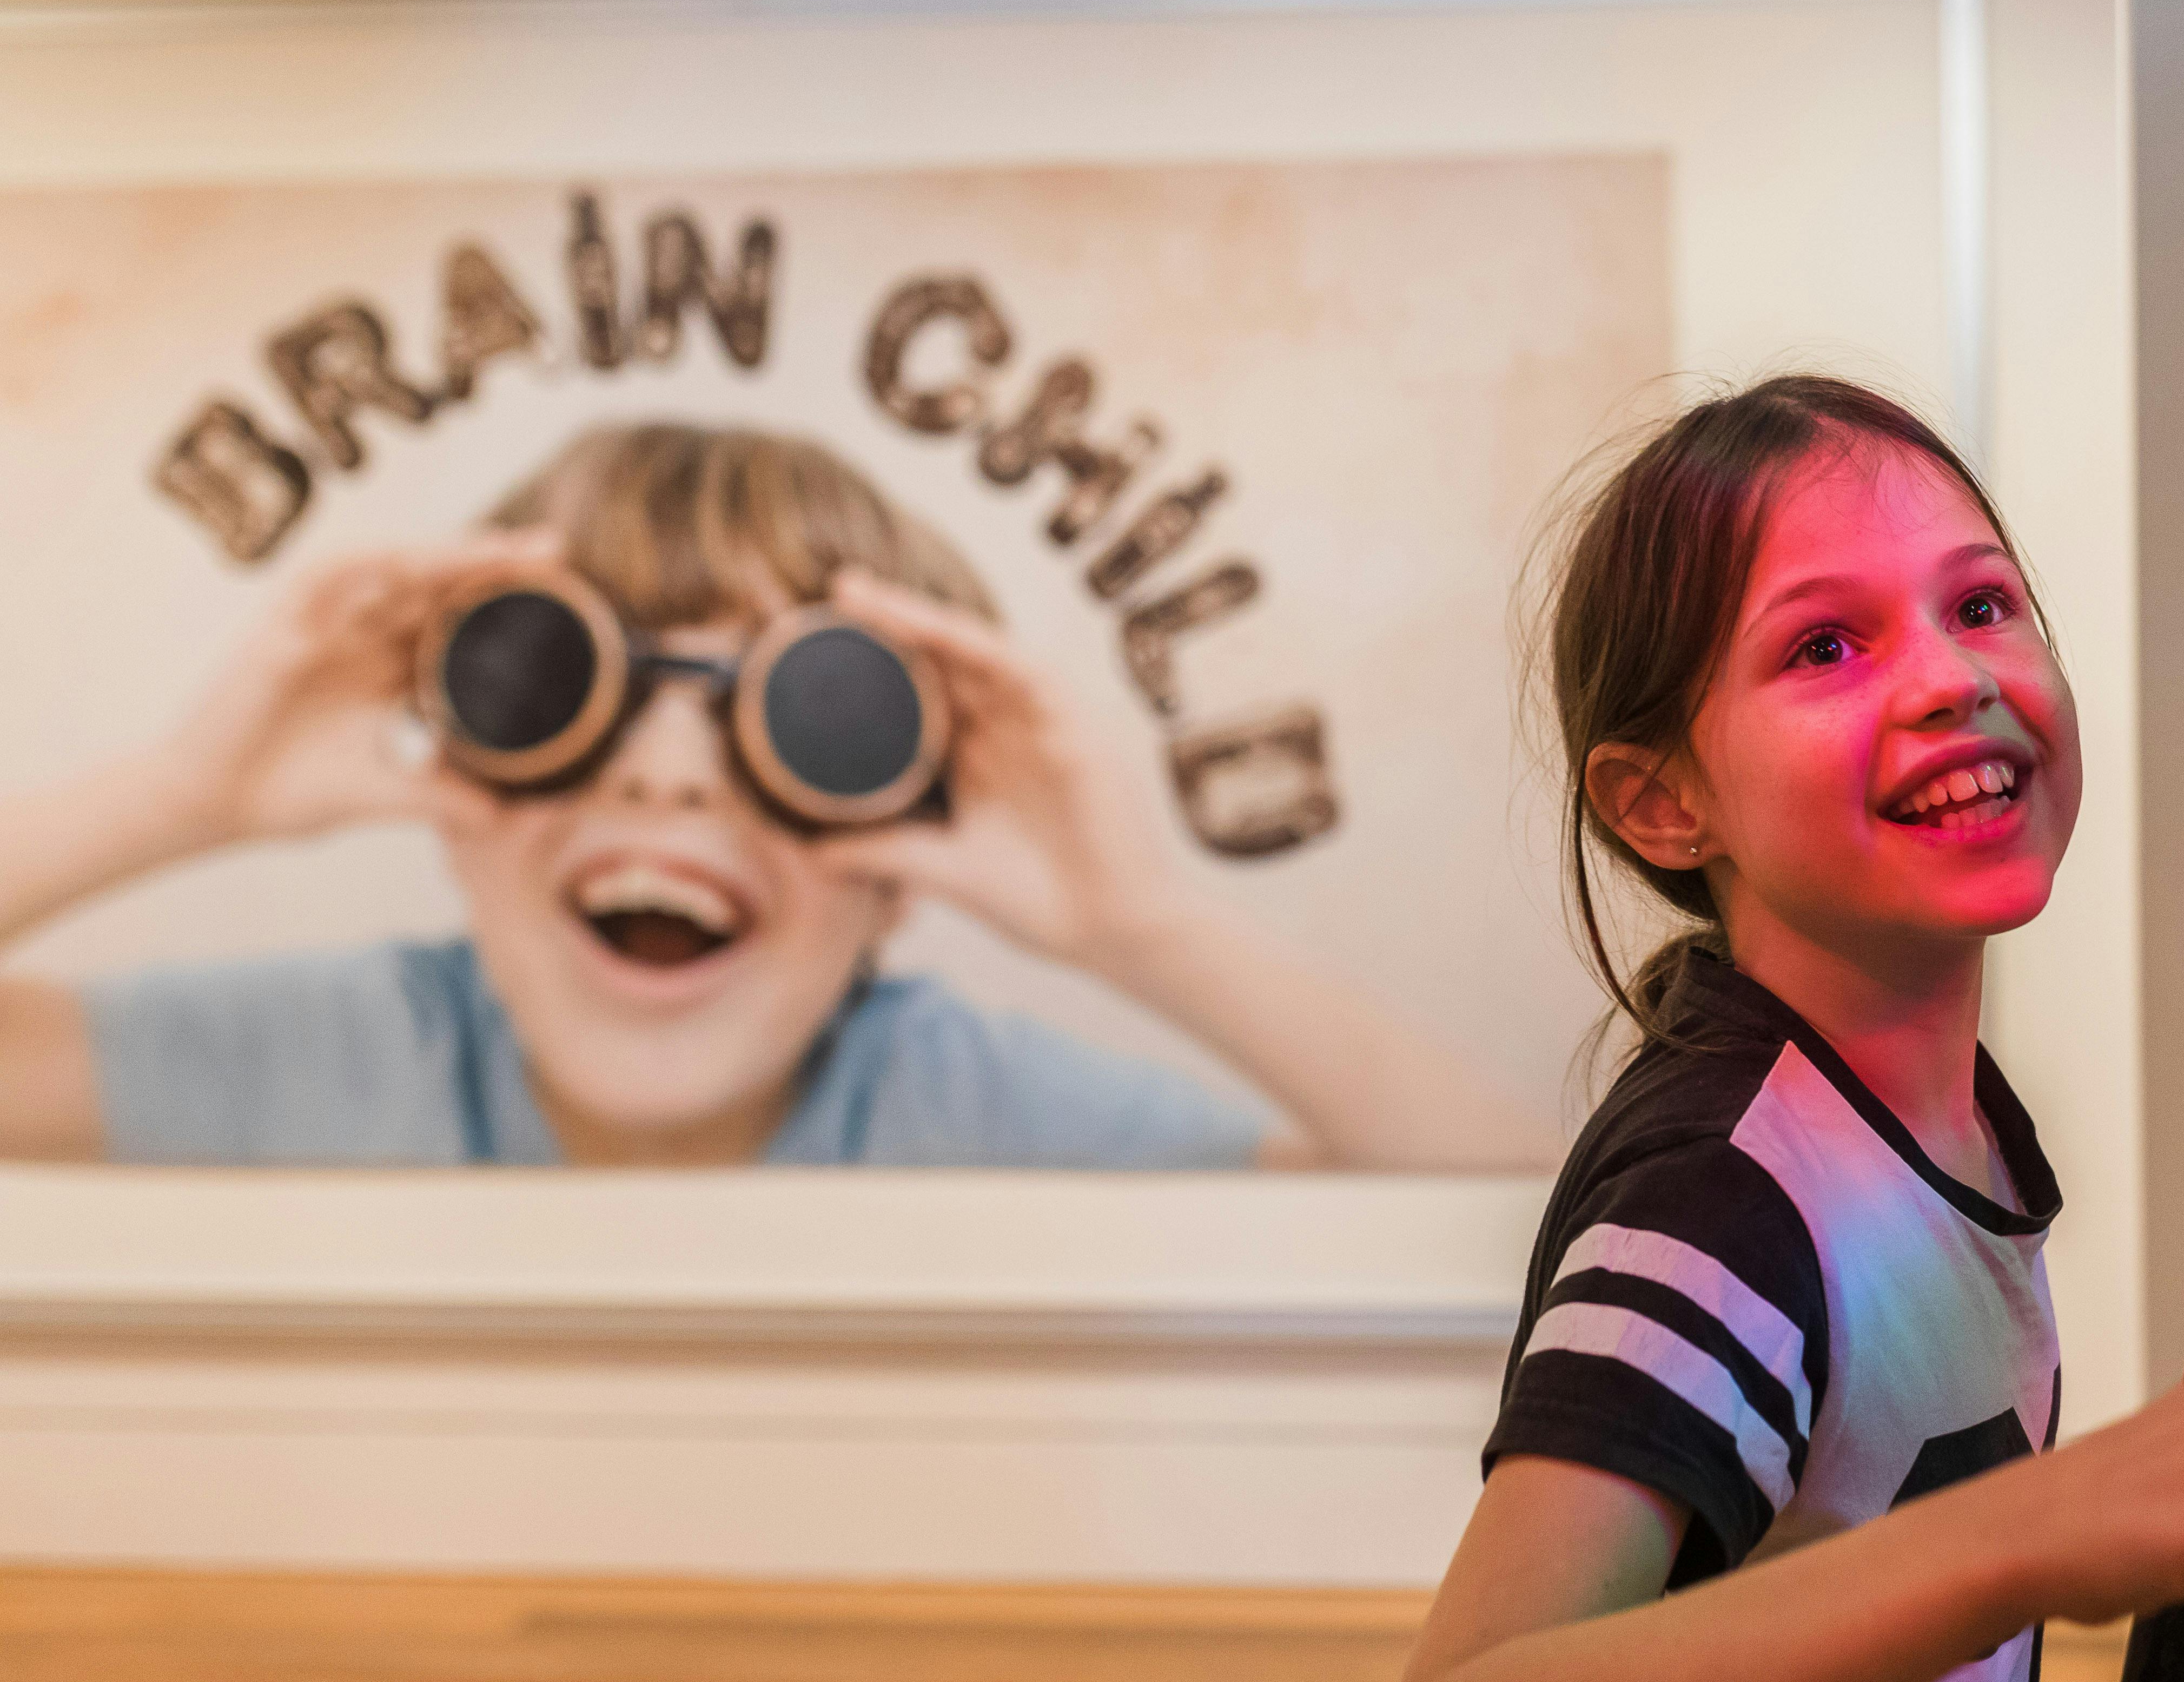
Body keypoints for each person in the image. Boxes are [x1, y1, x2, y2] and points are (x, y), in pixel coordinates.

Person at [1360, 376, 2184, 1682]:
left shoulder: (1940, 1133)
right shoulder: (1720, 1212)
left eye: (1983, 604)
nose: (1951, 678)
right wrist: (2047, 1528)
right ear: (1663, 802)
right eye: (1825, 645)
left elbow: (1820, 1580)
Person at [0, 421, 1539, 1170]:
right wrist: (183, 793)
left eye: (805, 724)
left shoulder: (954, 1102)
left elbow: (1544, 1246)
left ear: (896, 850)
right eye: (563, 697)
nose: (669, 767)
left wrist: (1135, 928)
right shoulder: (353, 1052)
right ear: (459, 768)